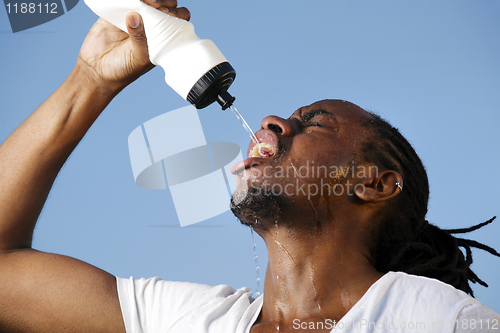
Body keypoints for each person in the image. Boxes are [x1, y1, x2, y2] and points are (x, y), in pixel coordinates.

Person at [0, 1, 498, 332]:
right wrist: (90, 80)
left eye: (315, 123)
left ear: (374, 184)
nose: (273, 121)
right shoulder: (196, 320)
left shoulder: (434, 319)